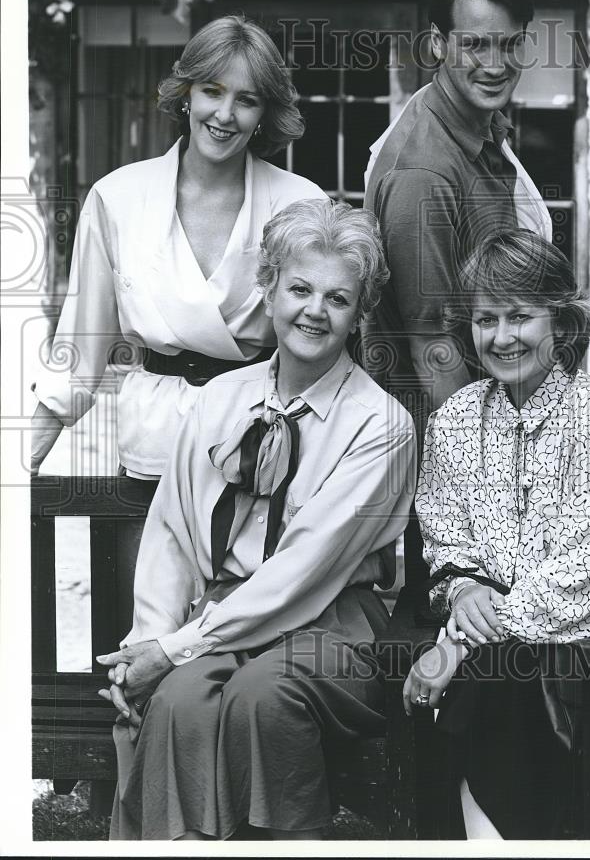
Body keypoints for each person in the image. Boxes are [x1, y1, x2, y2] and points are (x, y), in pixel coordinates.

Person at [96, 198, 417, 840]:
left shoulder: (381, 425)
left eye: (339, 298)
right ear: (267, 289)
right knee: (180, 702)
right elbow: (171, 533)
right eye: (299, 288)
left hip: (332, 620)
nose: (315, 311)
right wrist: (149, 644)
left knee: (262, 695)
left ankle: (291, 841)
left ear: (359, 316)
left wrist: (179, 647)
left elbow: (303, 570)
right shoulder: (221, 399)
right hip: (220, 615)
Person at [403, 230, 590, 839]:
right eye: (487, 319)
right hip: (518, 643)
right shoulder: (457, 418)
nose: (503, 336)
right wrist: (461, 593)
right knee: (493, 676)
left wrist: (453, 647)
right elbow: (446, 543)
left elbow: (577, 582)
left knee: (488, 680)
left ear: (560, 323)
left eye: (521, 316)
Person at [31, 14, 325, 479]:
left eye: (246, 100)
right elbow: (79, 355)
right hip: (152, 444)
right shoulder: (117, 197)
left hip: (261, 442)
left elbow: (325, 347)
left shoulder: (301, 203)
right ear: (186, 95)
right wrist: (20, 463)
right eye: (212, 90)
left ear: (264, 113)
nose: (225, 115)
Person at [363, 0, 552, 428]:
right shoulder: (422, 172)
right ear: (437, 45)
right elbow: (433, 352)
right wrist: (484, 475)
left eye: (509, 45)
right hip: (437, 452)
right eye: (475, 46)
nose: (495, 65)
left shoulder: (478, 128)